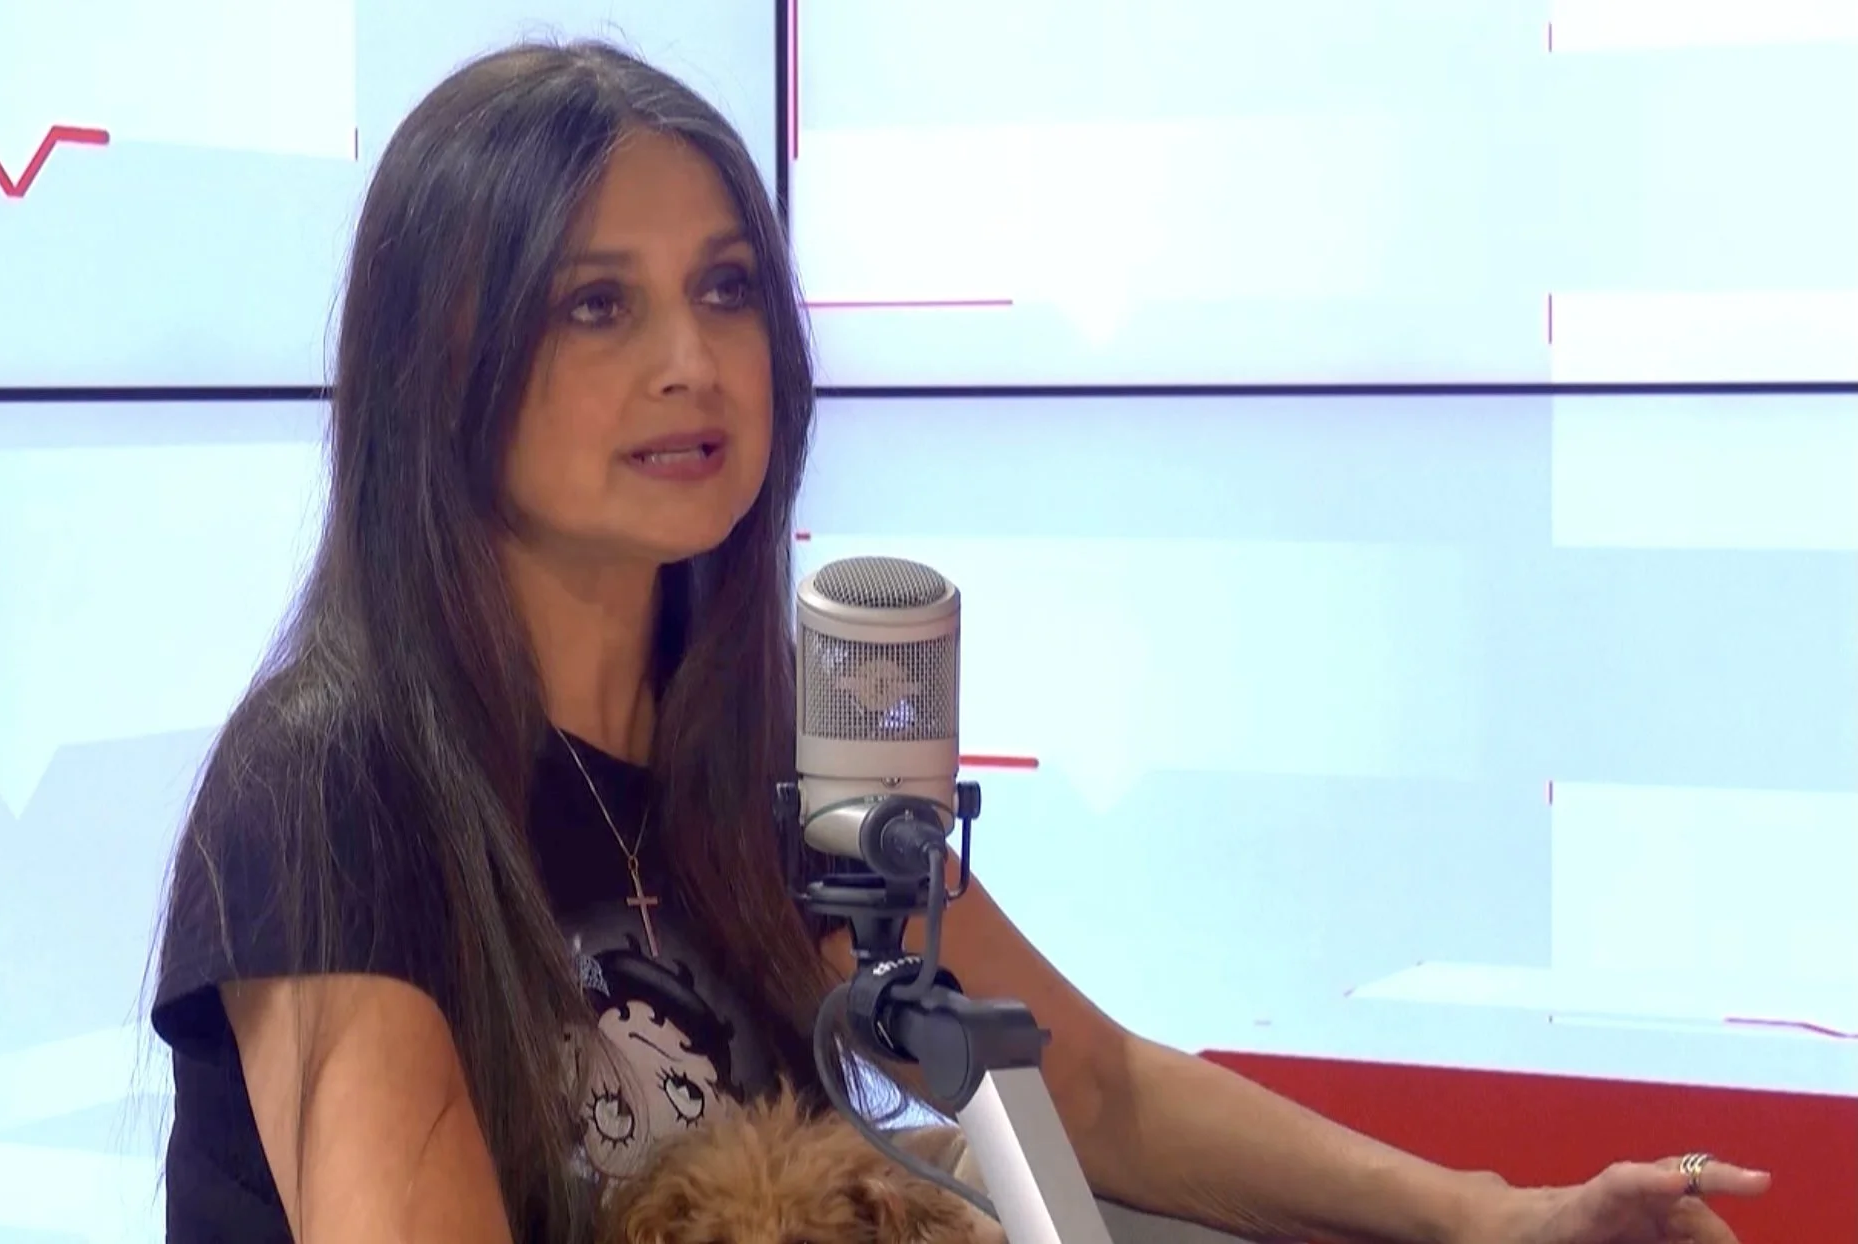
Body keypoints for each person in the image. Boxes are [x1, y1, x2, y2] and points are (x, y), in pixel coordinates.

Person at [147, 38, 1771, 1244]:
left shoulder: (758, 749)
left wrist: (1489, 1216)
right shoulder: (333, 783)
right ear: (442, 369)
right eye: (598, 304)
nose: (691, 361)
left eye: (726, 290)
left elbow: (1083, 1088)